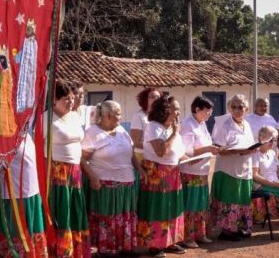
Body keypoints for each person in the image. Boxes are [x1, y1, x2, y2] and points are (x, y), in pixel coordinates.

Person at [81, 100, 145, 256]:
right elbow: (82, 159)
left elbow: (131, 153)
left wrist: (140, 169)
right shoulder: (92, 133)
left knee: (125, 216)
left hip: (127, 184)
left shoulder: (122, 130)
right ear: (108, 115)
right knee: (107, 218)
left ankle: (124, 246)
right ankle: (106, 249)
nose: (121, 117)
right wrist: (92, 176)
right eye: (118, 114)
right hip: (106, 186)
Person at [138, 95, 187, 257]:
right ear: (165, 110)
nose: (179, 113)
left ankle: (170, 241)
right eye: (176, 109)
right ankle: (154, 245)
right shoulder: (154, 127)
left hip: (172, 172)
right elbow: (161, 151)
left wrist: (194, 159)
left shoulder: (173, 129)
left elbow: (178, 153)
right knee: (157, 207)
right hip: (156, 173)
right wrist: (174, 133)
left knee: (172, 206)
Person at [49, 79, 90, 257]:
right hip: (57, 173)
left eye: (72, 98)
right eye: (66, 98)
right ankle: (60, 252)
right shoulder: (47, 118)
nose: (71, 102)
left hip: (75, 172)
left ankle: (76, 252)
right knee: (61, 211)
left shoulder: (75, 116)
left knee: (75, 209)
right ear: (54, 100)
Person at [210, 94, 257, 242]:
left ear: (246, 109)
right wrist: (239, 151)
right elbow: (218, 149)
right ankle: (227, 230)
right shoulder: (225, 125)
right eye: (234, 107)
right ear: (230, 108)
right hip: (228, 171)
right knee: (229, 200)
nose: (237, 110)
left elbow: (249, 144)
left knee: (241, 200)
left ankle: (238, 228)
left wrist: (253, 149)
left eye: (240, 107)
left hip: (244, 170)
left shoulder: (247, 125)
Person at [0, 133, 48, 257]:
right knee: (17, 241)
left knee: (33, 239)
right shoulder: (2, 132)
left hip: (32, 196)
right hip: (14, 199)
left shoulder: (26, 132)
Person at [178, 96, 219, 248]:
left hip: (202, 171)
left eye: (210, 111)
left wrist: (212, 147)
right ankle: (188, 236)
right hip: (190, 171)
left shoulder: (201, 124)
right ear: (197, 109)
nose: (209, 114)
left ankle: (200, 233)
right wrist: (209, 149)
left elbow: (205, 144)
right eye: (207, 111)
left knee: (201, 204)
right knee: (191, 204)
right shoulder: (188, 124)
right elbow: (187, 151)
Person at [130, 87, 162, 162]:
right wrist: (154, 148)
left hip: (159, 156)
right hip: (143, 157)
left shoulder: (161, 116)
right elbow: (135, 142)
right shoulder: (139, 116)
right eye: (152, 97)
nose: (156, 99)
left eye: (158, 97)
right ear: (145, 99)